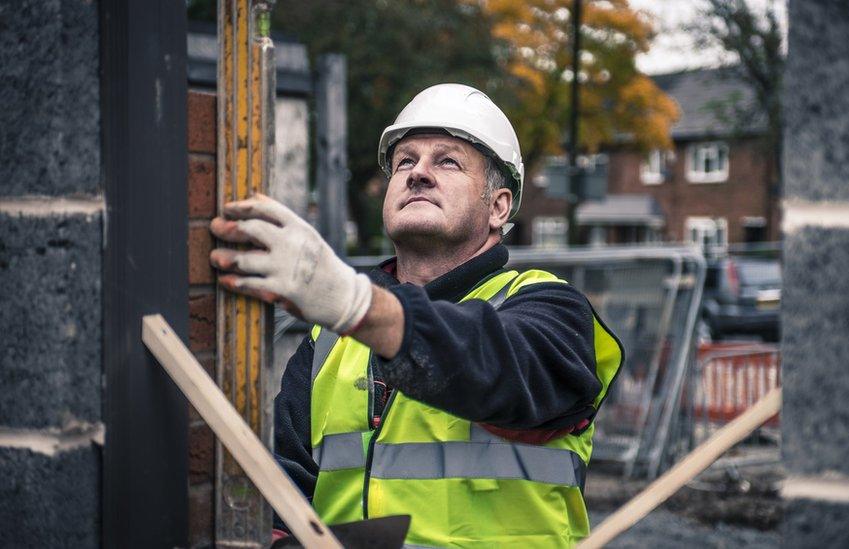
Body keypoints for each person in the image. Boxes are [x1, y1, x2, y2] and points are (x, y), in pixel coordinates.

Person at [210, 83, 623, 547]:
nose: (418, 173)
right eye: (405, 161)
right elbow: (284, 488)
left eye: (447, 161)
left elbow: (490, 365)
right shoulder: (329, 341)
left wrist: (357, 303)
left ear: (499, 206)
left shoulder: (551, 311)